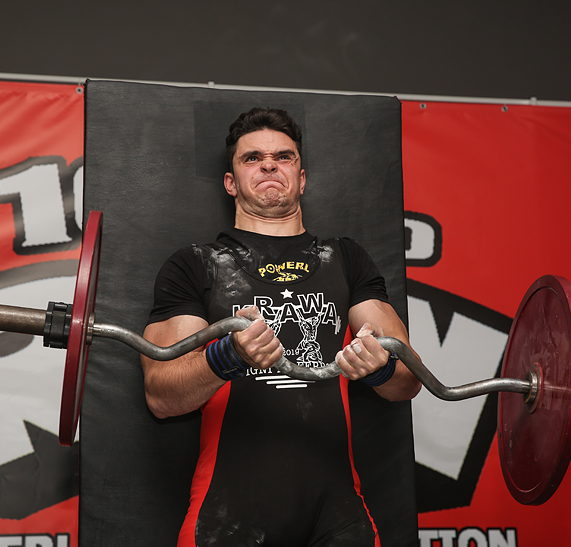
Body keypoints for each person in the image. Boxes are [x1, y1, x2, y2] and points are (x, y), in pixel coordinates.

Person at [141, 107, 421, 546]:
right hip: (226, 515)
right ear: (231, 182)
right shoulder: (195, 264)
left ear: (301, 178)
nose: (269, 165)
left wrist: (380, 366)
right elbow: (161, 395)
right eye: (252, 158)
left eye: (283, 157)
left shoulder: (346, 259)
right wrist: (228, 356)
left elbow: (409, 381)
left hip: (337, 514)